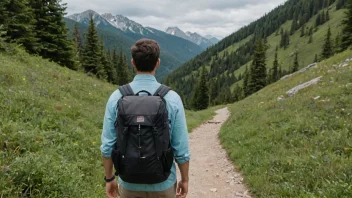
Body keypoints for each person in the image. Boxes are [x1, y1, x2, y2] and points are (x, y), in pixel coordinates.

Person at [100, 39, 190, 198]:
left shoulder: (117, 97)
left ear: (133, 62)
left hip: (129, 183)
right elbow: (180, 148)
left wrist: (109, 178)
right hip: (163, 183)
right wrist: (185, 179)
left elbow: (107, 146)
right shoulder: (172, 98)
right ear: (158, 63)